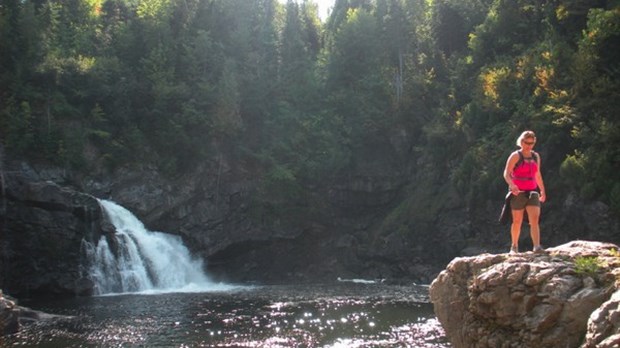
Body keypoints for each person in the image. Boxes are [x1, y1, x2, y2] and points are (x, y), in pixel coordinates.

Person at [503, 130, 546, 253]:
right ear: (521, 142)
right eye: (527, 142)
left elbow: (537, 174)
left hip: (532, 191)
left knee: (535, 219)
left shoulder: (535, 156)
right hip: (518, 192)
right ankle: (514, 246)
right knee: (517, 221)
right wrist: (512, 185)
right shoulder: (515, 156)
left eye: (532, 143)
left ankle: (537, 246)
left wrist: (542, 190)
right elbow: (506, 172)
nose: (529, 145)